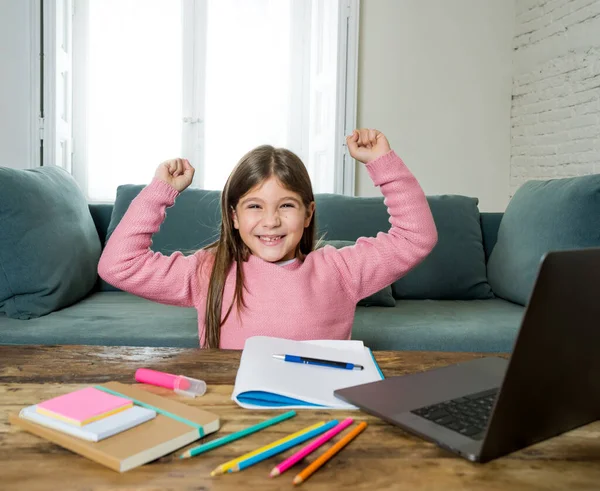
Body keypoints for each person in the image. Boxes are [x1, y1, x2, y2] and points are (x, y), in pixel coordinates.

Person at [98, 128, 438, 349]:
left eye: (286, 205)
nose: (271, 221)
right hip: (233, 410)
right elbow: (118, 266)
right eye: (255, 206)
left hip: (316, 413)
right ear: (234, 217)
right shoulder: (208, 271)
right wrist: (161, 191)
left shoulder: (340, 268)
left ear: (307, 214)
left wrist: (383, 163)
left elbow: (416, 236)